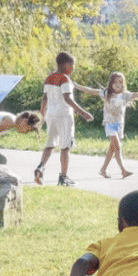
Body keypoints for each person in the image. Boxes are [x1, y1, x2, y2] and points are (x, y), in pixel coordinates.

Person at [74, 72, 138, 178]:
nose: (118, 84)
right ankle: (123, 171)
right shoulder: (106, 93)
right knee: (117, 146)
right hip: (109, 123)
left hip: (119, 125)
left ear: (123, 84)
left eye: (120, 82)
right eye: (115, 82)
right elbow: (90, 90)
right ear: (111, 83)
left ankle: (103, 169)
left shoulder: (125, 95)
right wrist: (76, 85)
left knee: (113, 148)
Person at [34, 51, 94, 187]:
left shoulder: (49, 78)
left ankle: (40, 167)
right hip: (64, 116)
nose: (73, 69)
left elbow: (44, 98)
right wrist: (82, 112)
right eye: (72, 66)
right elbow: (67, 98)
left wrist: (43, 115)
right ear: (66, 65)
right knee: (65, 147)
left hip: (51, 115)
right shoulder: (64, 79)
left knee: (50, 144)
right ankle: (63, 177)